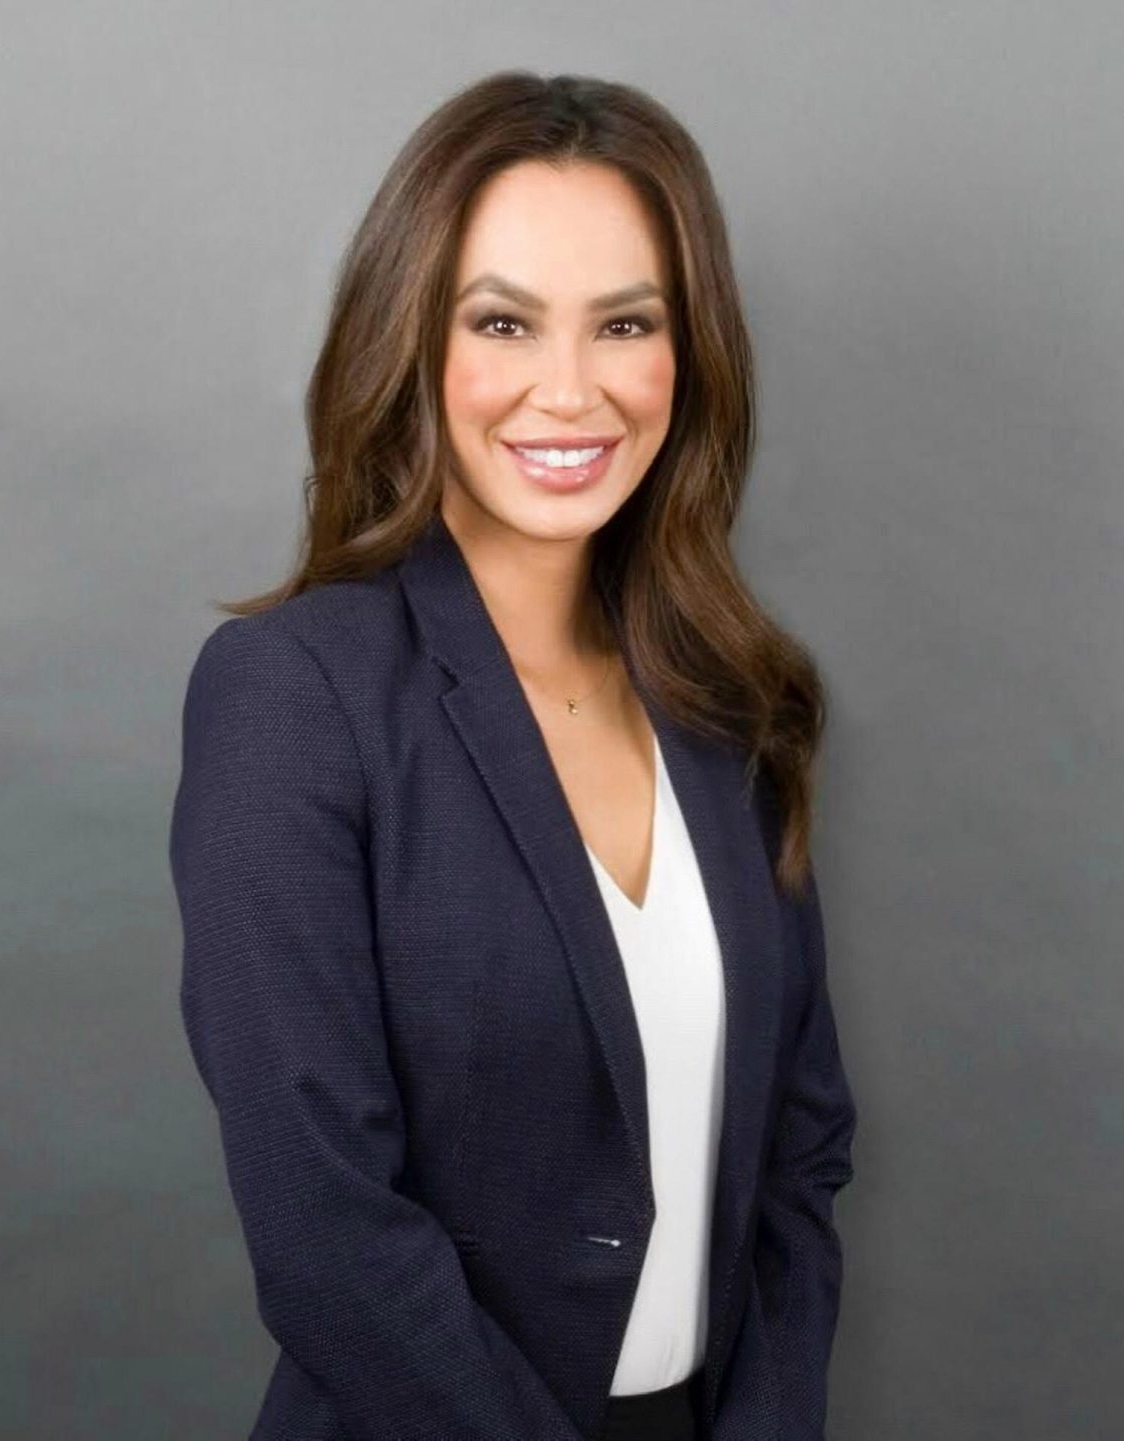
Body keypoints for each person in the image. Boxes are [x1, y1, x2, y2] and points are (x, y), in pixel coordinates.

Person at [169, 69, 858, 1441]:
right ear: (410, 343)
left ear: (688, 355)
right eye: (502, 322)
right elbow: (325, 1229)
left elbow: (801, 1151)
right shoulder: (295, 696)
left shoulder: (729, 702)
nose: (570, 389)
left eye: (625, 324)